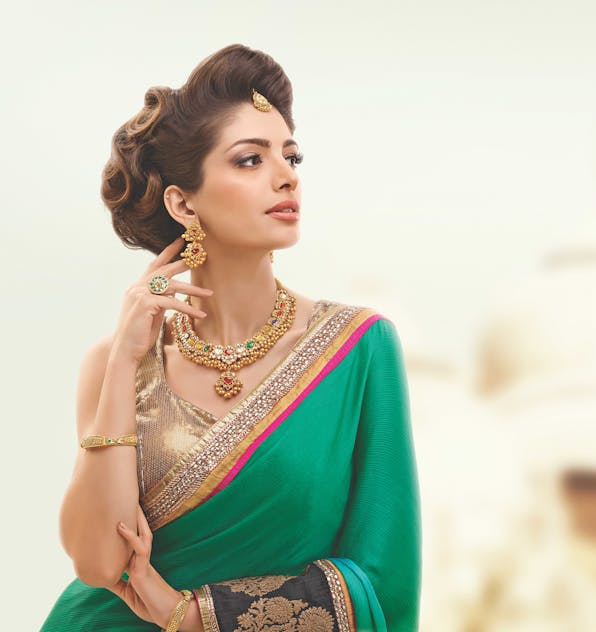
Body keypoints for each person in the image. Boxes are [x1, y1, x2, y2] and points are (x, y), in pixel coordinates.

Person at [41, 43, 421, 631]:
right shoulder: (118, 364)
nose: (285, 175)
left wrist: (193, 615)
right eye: (250, 160)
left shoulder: (358, 348)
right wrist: (124, 360)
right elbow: (99, 562)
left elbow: (384, 578)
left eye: (291, 156)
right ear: (182, 202)